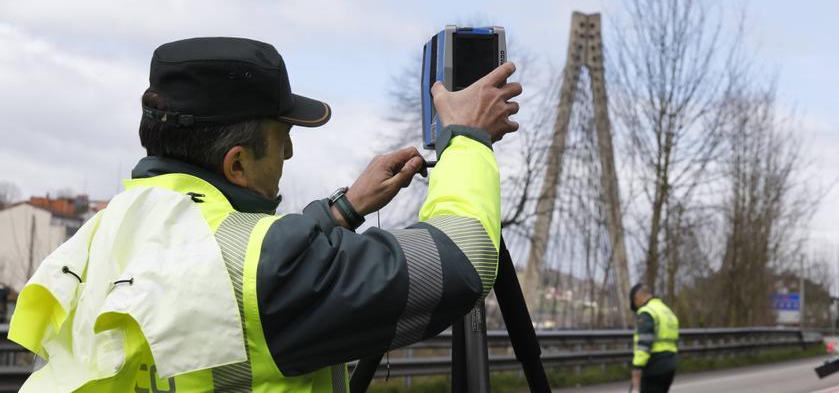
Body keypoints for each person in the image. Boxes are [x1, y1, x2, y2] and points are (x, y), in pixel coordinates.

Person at [8, 36, 521, 392]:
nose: (290, 156)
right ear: (237, 162)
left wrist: (342, 211)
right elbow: (464, 258)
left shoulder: (95, 241)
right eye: (282, 140)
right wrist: (468, 141)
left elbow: (241, 261)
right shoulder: (263, 268)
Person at [629, 283, 679, 393]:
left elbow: (644, 343)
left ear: (637, 298)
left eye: (635, 304)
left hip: (654, 365)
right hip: (670, 364)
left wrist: (637, 367)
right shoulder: (667, 311)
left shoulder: (647, 312)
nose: (637, 308)